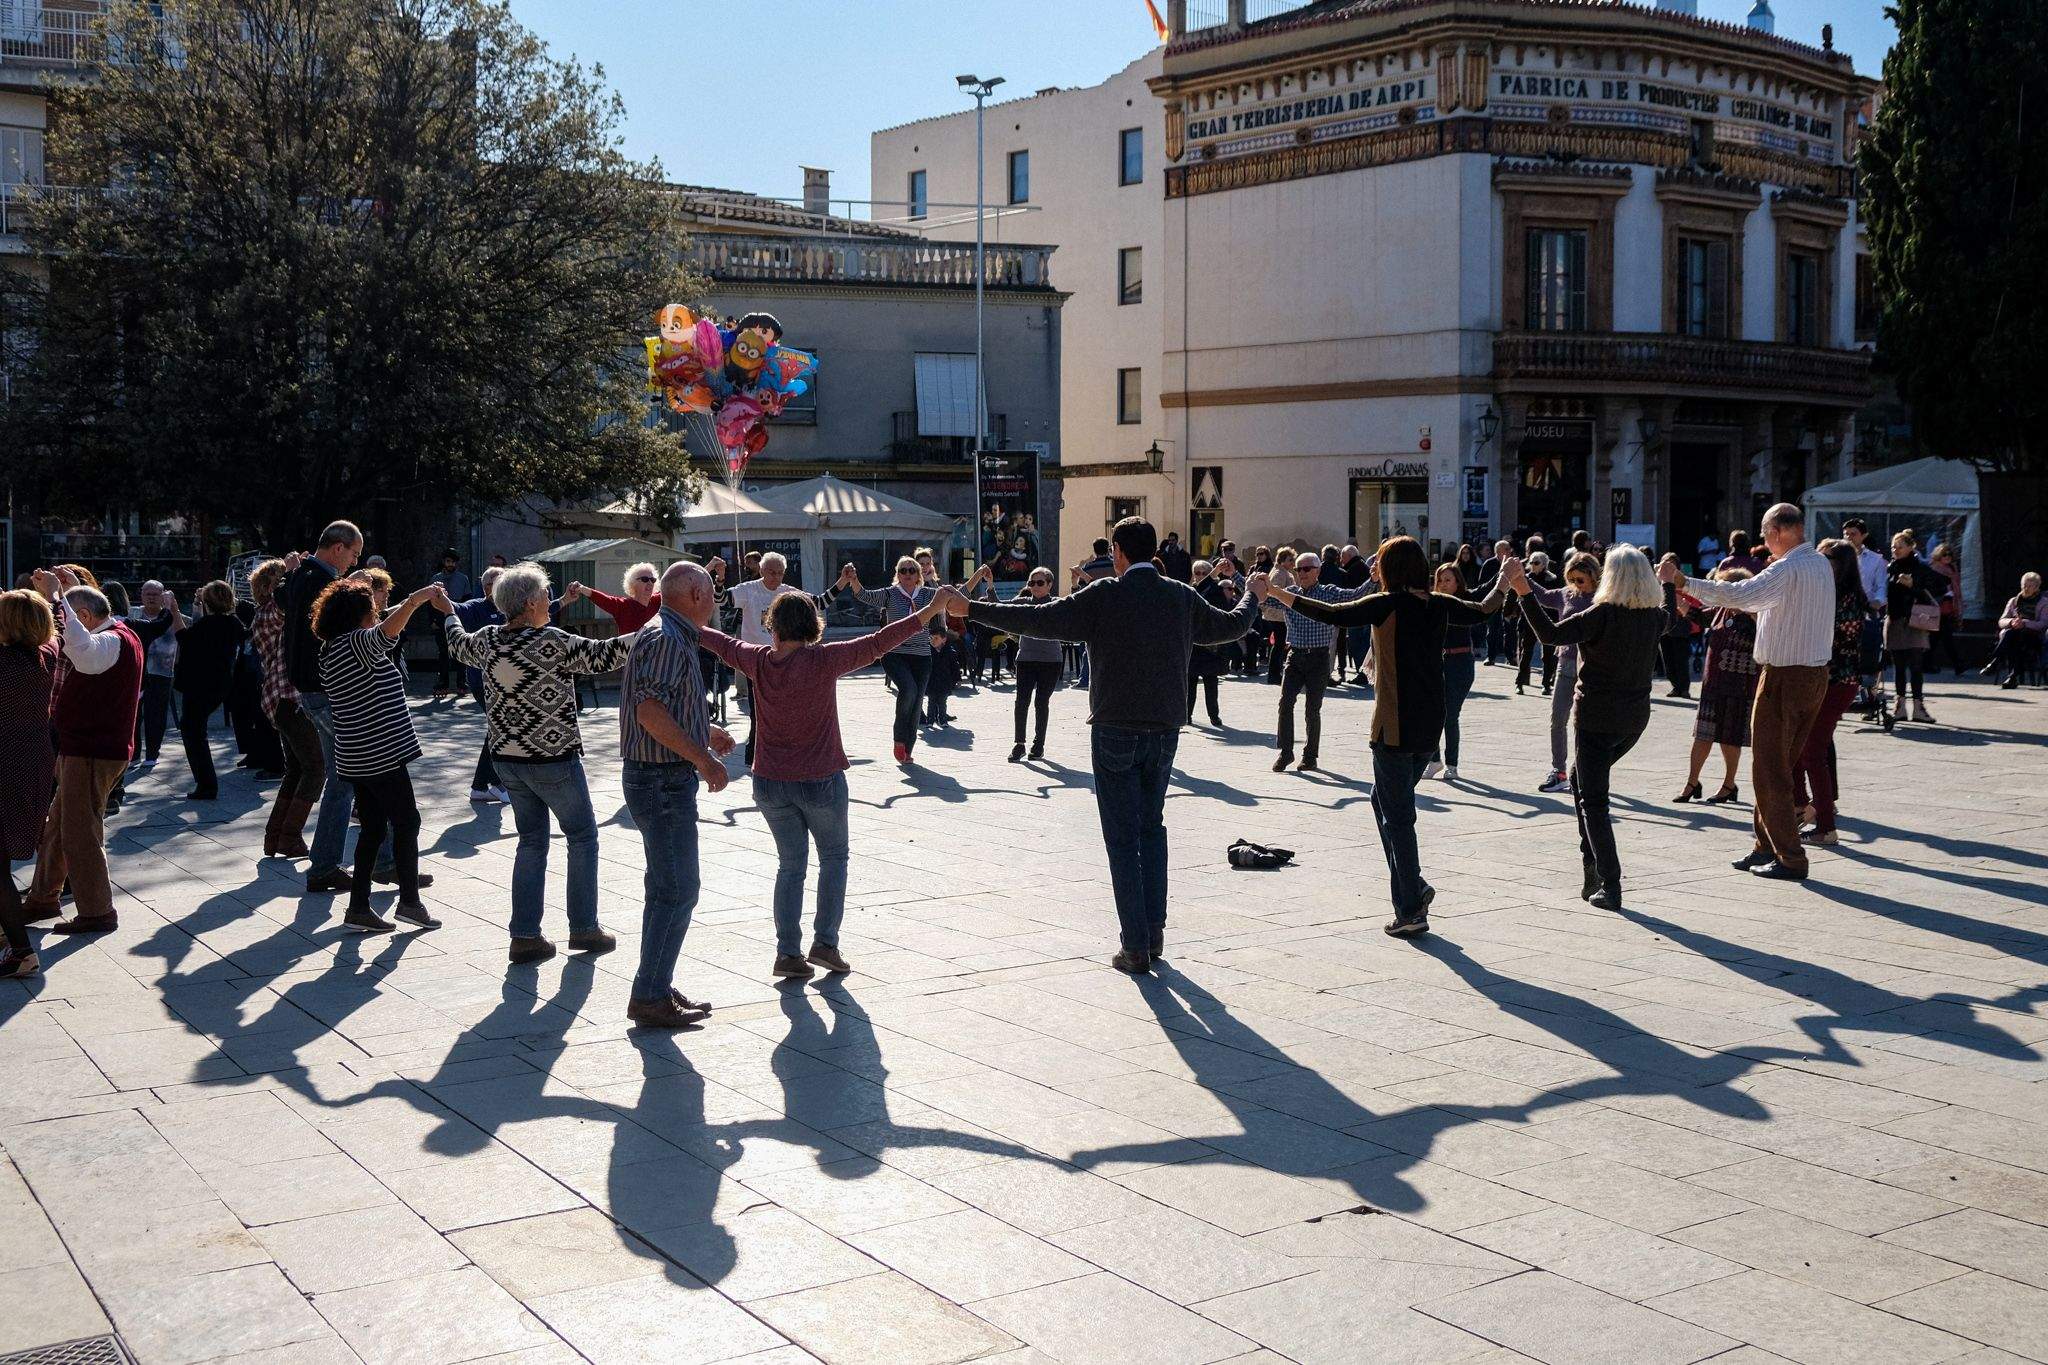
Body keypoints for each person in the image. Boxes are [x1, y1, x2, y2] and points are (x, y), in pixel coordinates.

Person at [962, 517, 1260, 972]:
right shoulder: (1180, 595)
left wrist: (974, 610)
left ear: (1118, 552)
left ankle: (1135, 945)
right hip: (1164, 728)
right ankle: (1154, 934)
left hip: (1115, 726)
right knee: (1151, 826)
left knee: (1121, 838)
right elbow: (1231, 627)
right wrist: (1253, 595)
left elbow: (1039, 618)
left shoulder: (1105, 594)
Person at [702, 585, 952, 978]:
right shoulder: (825, 659)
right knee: (833, 860)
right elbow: (881, 641)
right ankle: (825, 944)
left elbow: (719, 641)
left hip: (769, 781)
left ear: (773, 627)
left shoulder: (758, 660)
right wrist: (931, 610)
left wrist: (678, 614)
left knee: (790, 866)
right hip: (820, 779)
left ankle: (787, 953)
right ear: (813, 626)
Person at [1267, 538, 1495, 933]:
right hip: (1429, 724)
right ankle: (1414, 887)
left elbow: (1332, 614)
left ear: (1389, 569)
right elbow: (1483, 611)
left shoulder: (1386, 604)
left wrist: (1273, 591)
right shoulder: (1438, 602)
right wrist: (1508, 584)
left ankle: (1410, 908)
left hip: (1394, 725)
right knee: (1383, 801)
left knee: (1399, 817)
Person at [440, 563, 638, 964]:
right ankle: (584, 928)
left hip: (508, 761)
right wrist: (654, 629)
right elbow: (605, 656)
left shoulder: (489, 640)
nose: (551, 601)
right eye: (547, 595)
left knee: (531, 842)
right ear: (531, 603)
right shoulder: (552, 641)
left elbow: (457, 644)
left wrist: (447, 612)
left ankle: (525, 935)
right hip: (554, 760)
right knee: (582, 837)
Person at [1659, 503, 1836, 882]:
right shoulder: (1820, 563)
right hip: (1813, 675)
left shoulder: (1787, 568)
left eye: (1764, 532)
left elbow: (1742, 594)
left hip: (1784, 678)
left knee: (1770, 769)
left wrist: (1684, 582)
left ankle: (1790, 857)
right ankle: (1766, 846)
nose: (1763, 541)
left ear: (1777, 531)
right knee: (1777, 765)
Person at [1510, 545, 1672, 911]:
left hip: (1598, 716)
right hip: (1635, 718)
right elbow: (1672, 618)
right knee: (1582, 784)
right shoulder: (1653, 617)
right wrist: (1671, 585)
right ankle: (1593, 865)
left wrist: (1523, 592)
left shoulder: (1602, 614)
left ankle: (1608, 881)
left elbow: (1550, 635)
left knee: (1594, 800)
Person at [618, 562, 736, 1028]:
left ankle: (655, 985)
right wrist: (702, 759)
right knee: (678, 890)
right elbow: (648, 710)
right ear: (693, 593)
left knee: (666, 889)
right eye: (710, 591)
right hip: (661, 780)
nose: (714, 599)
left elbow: (659, 705)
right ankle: (649, 994)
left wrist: (703, 733)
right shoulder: (667, 637)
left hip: (659, 777)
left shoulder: (668, 633)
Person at [313, 577, 441, 934]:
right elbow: (385, 633)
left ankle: (358, 908)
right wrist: (416, 599)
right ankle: (411, 903)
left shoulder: (331, 648)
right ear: (358, 614)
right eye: (371, 607)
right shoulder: (356, 643)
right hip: (379, 752)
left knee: (372, 830)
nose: (377, 611)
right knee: (407, 822)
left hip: (357, 754)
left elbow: (382, 630)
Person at [283, 520, 399, 893]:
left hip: (311, 690)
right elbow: (351, 636)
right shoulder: (323, 582)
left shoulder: (301, 576)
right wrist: (356, 589)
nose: (354, 561)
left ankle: (339, 864)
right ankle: (375, 862)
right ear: (337, 548)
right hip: (328, 691)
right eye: (353, 553)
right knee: (372, 771)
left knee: (346, 777)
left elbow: (281, 600)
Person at [23, 576, 143, 935]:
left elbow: (85, 654)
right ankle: (43, 897)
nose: (61, 628)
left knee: (80, 832)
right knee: (60, 827)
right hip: (85, 747)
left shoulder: (111, 639)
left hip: (94, 749)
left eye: (67, 618)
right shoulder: (117, 634)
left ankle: (97, 911)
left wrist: (60, 597)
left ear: (86, 615)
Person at [1794, 540, 1870, 847]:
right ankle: (1801, 807)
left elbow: (1832, 637)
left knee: (1813, 749)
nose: (1820, 566)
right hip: (1822, 678)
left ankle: (1826, 825)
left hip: (1838, 681)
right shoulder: (1828, 594)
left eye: (1826, 561)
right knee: (1800, 745)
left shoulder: (1848, 598)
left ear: (1841, 566)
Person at [0, 590, 60, 978]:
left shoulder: (3, 663)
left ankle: (21, 951)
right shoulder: (47, 656)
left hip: (6, 763)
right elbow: (57, 631)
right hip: (34, 760)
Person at [834, 557, 940, 763]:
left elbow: (956, 595)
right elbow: (863, 595)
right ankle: (899, 740)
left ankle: (907, 749)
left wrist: (979, 577)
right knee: (908, 690)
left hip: (921, 656)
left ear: (918, 574)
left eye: (911, 570)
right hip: (894, 654)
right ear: (897, 574)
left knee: (917, 701)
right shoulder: (891, 594)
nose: (907, 574)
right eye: (903, 570)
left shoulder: (928, 594)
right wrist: (853, 579)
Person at [249, 559, 320, 858]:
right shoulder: (267, 613)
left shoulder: (270, 613)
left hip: (283, 700)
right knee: (317, 768)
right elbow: (284, 605)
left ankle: (275, 836)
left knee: (296, 769)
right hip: (287, 699)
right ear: (269, 587)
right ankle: (289, 835)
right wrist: (294, 574)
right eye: (280, 581)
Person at [1675, 568, 1759, 805]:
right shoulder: (1721, 610)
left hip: (1740, 684)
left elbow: (1766, 632)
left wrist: (1750, 611)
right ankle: (1692, 782)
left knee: (1729, 738)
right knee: (1702, 734)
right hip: (1714, 682)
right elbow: (1697, 616)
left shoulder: (1754, 612)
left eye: (1723, 588)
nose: (1718, 592)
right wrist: (1672, 591)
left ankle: (1728, 784)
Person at [1522, 551, 1600, 794]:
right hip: (1565, 664)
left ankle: (1583, 772)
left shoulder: (1603, 599)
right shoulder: (1566, 594)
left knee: (1586, 723)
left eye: (1581, 580)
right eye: (1572, 579)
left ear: (1594, 577)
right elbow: (1544, 596)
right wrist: (1523, 577)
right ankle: (1559, 771)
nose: (1576, 585)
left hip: (1592, 667)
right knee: (1558, 719)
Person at [1272, 552, 1357, 773]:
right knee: (1285, 703)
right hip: (1295, 656)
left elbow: (1355, 595)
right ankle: (1286, 752)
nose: (1302, 573)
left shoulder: (1328, 593)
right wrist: (1236, 576)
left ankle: (1310, 757)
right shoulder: (1290, 594)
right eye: (1298, 569)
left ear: (1318, 571)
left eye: (1307, 569)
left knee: (1312, 709)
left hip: (1319, 658)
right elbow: (1264, 597)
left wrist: (1374, 580)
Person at [1424, 562, 1506, 782]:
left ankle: (1452, 764)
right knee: (1431, 714)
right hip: (1438, 662)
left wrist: (1504, 572)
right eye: (1440, 580)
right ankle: (1434, 760)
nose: (1442, 584)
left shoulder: (1465, 599)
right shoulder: (1433, 602)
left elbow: (1487, 588)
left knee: (1450, 714)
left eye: (1448, 580)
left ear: (1458, 582)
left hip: (1460, 663)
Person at [170, 580, 248, 801]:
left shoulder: (209, 625)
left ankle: (206, 784)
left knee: (193, 732)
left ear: (208, 603)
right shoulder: (232, 622)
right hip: (220, 684)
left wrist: (175, 611)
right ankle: (205, 783)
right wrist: (198, 604)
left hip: (199, 685)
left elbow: (184, 637)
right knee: (195, 730)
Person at [1884, 532, 1948, 724]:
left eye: (1899, 546)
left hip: (1916, 620)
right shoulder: (1890, 567)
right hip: (1895, 619)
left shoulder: (1921, 568)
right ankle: (1900, 706)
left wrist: (1914, 586)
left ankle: (1919, 707)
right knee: (1899, 666)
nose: (1895, 550)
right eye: (1893, 547)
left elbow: (1941, 587)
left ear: (1911, 547)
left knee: (1916, 665)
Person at [1008, 567, 1064, 761]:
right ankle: (1019, 744)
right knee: (1021, 701)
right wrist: (989, 585)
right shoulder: (1023, 603)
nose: (1035, 587)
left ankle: (1038, 744)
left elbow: (1078, 606)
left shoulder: (1057, 604)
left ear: (1050, 584)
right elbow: (999, 607)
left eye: (1040, 583)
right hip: (1026, 659)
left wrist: (1075, 584)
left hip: (1051, 661)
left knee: (1041, 702)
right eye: (1032, 583)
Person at [132, 580, 183, 766]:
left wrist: (192, 607)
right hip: (136, 673)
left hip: (162, 672)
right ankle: (134, 753)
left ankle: (152, 755)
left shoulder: (171, 615)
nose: (152, 598)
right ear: (142, 595)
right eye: (148, 594)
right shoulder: (133, 614)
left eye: (156, 594)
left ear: (163, 596)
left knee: (157, 715)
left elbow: (191, 628)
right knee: (134, 716)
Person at [1841, 518, 1888, 716]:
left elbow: (1881, 587)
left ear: (1863, 535)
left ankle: (1869, 696)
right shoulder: (1838, 556)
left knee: (1868, 655)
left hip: (1866, 613)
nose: (1849, 537)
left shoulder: (1876, 560)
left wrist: (1877, 601)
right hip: (1842, 614)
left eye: (1853, 533)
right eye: (1846, 534)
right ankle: (1843, 696)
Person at [1984, 572, 2048, 688]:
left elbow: (2043, 624)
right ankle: (2012, 677)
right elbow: (2001, 621)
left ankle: (1996, 661)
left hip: (2033, 637)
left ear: (2037, 587)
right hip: (2015, 635)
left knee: (2014, 637)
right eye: (2024, 585)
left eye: (2030, 586)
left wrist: (2024, 623)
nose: (2026, 588)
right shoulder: (2014, 601)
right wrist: (2011, 622)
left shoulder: (2044, 602)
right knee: (2014, 636)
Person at [1186, 560, 1229, 727]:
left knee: (1211, 683)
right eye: (1197, 573)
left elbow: (1223, 611)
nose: (1201, 576)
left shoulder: (1217, 591)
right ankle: (1187, 715)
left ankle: (1214, 715)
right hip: (1194, 644)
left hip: (1211, 645)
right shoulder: (1191, 591)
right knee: (1190, 682)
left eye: (1205, 573)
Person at [428, 549, 473, 697]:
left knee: (460, 650)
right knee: (443, 652)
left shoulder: (463, 579)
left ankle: (462, 682)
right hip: (440, 616)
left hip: (458, 615)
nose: (450, 564)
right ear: (444, 562)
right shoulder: (435, 578)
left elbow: (467, 600)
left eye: (453, 562)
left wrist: (466, 620)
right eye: (448, 561)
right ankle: (443, 682)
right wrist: (432, 620)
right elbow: (429, 602)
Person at [1515, 551, 1561, 695]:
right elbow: (1517, 598)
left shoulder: (1552, 579)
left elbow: (1556, 601)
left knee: (1548, 654)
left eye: (1536, 562)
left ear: (1544, 564)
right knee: (1526, 652)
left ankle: (1546, 684)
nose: (1533, 565)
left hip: (1547, 620)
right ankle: (1520, 682)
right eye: (1531, 562)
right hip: (1529, 619)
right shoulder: (1526, 578)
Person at [573, 562, 662, 634]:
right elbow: (604, 600)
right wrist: (581, 588)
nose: (650, 583)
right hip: (630, 654)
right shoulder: (623, 606)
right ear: (633, 583)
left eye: (653, 580)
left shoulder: (659, 601)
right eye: (645, 579)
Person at [1655, 554, 1696, 699]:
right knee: (1668, 659)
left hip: (1681, 625)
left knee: (1681, 659)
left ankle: (1684, 688)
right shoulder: (1658, 583)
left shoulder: (1683, 582)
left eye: (1671, 565)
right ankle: (1675, 686)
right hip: (1665, 627)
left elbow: (1692, 602)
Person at [1260, 548, 1296, 684]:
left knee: (1280, 644)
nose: (1292, 562)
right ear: (1282, 560)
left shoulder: (1283, 572)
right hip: (1277, 614)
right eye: (1290, 560)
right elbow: (1275, 593)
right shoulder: (1279, 573)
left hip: (1279, 614)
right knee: (1279, 644)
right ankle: (1274, 674)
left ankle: (1276, 673)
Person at [1928, 543, 1964, 675]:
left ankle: (1926, 663)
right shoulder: (1934, 569)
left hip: (1949, 607)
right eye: (1944, 554)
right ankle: (1958, 664)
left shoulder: (1952, 569)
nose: (1948, 557)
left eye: (1950, 554)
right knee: (1946, 638)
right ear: (1938, 555)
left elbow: (1957, 589)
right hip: (1938, 607)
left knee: (1935, 638)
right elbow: (1931, 588)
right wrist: (1945, 593)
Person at [1478, 539, 1515, 664]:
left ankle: (1510, 657)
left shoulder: (1514, 563)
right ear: (1497, 552)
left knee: (1509, 630)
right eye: (1505, 550)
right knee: (1492, 629)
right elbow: (1482, 583)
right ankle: (1491, 656)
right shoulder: (1489, 564)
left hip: (1510, 601)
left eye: (1508, 550)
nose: (1508, 552)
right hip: (1494, 599)